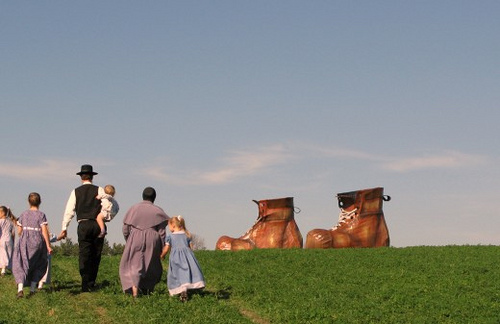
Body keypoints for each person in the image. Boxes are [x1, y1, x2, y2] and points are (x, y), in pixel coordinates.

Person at [58, 164, 106, 292]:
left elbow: (69, 211)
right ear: (92, 177)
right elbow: (107, 205)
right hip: (97, 223)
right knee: (96, 253)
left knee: (84, 254)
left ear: (81, 177)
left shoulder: (75, 192)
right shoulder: (100, 190)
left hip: (83, 224)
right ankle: (92, 282)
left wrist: (64, 227)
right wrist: (105, 217)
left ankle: (85, 283)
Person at [119, 187, 169, 298]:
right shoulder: (158, 211)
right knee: (151, 263)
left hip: (135, 236)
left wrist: (128, 240)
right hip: (153, 237)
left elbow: (125, 228)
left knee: (132, 263)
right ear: (154, 198)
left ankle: (133, 287)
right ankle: (147, 287)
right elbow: (161, 232)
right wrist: (162, 246)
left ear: (143, 196)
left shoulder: (133, 209)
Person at [12, 193, 53, 298]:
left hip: (25, 242)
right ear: (40, 202)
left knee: (21, 263)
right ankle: (32, 289)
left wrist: (24, 232)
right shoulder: (41, 215)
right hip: (37, 241)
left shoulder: (24, 214)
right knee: (38, 263)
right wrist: (48, 245)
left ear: (28, 202)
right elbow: (44, 230)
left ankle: (20, 288)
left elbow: (19, 231)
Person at [161, 215, 205, 302]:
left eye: (169, 226)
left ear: (173, 225)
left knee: (177, 273)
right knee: (187, 271)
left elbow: (166, 248)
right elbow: (190, 247)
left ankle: (181, 290)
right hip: (187, 256)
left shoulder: (170, 237)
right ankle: (187, 288)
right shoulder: (186, 235)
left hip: (175, 258)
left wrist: (162, 255)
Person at [0, 206, 16, 277]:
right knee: (9, 254)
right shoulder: (10, 221)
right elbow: (13, 233)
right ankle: (10, 268)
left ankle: (3, 269)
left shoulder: (0, 221)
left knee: (3, 254)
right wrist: (13, 241)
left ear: (2, 213)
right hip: (9, 240)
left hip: (2, 239)